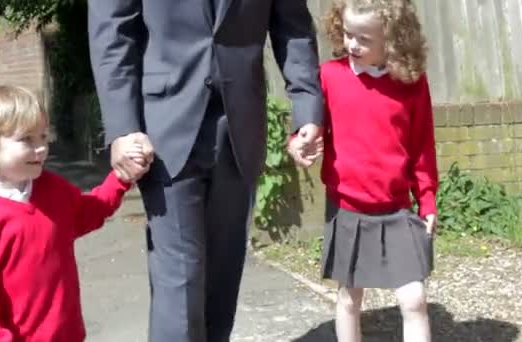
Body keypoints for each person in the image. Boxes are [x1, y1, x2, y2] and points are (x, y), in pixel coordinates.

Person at [87, 0, 325, 340]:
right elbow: (112, 30)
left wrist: (307, 108)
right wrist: (123, 126)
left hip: (241, 129)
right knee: (180, 282)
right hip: (165, 131)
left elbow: (294, 28)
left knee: (222, 281)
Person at [290, 0, 438, 341]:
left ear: (392, 39)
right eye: (347, 34)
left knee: (414, 299)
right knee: (349, 297)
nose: (352, 44)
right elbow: (307, 127)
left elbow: (422, 147)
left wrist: (427, 199)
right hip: (348, 208)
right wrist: (299, 142)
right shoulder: (330, 76)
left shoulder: (412, 84)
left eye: (364, 39)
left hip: (397, 208)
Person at [0, 85, 144, 341]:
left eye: (43, 137)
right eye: (27, 140)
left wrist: (121, 178)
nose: (41, 148)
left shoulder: (52, 188)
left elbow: (91, 211)